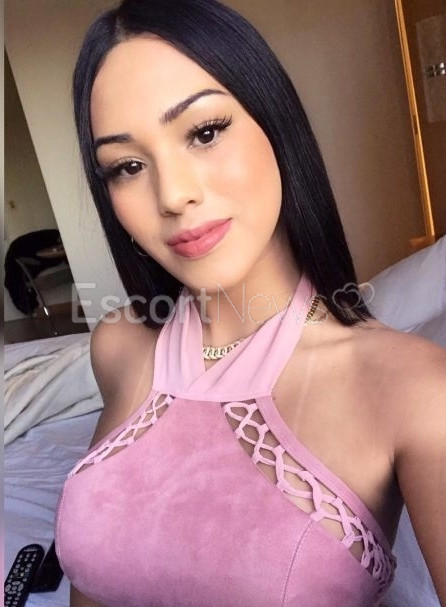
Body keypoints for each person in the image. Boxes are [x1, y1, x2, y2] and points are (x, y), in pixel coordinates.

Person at [54, 1, 446, 605]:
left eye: (205, 132)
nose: (174, 195)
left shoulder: (411, 388)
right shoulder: (120, 345)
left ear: (275, 122)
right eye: (127, 166)